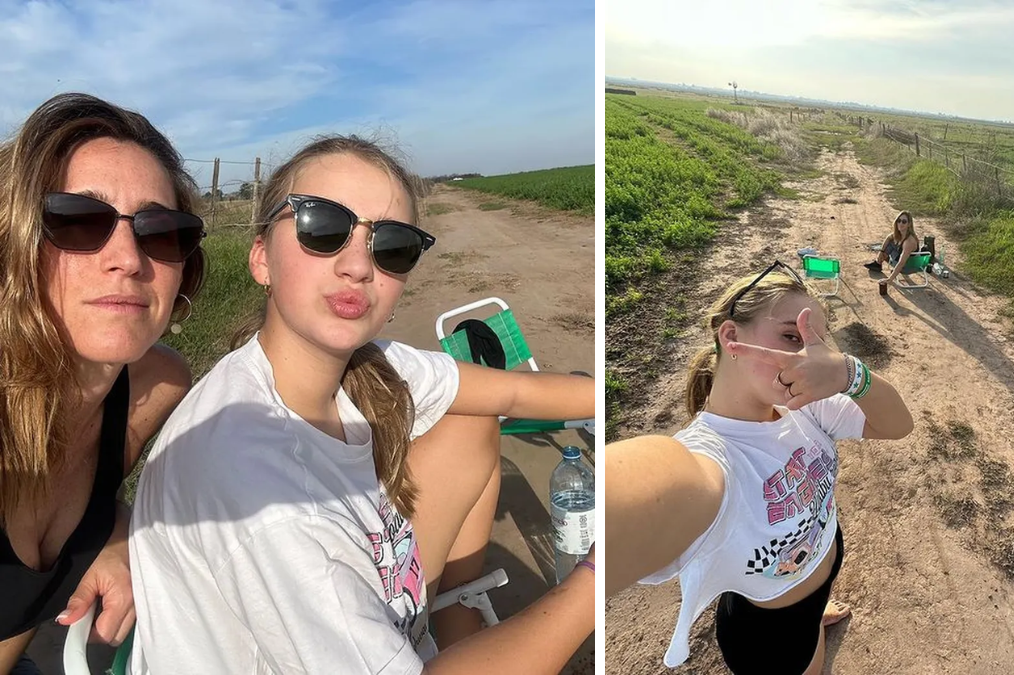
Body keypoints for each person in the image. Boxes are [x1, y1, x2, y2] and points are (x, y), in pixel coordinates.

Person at [128, 135, 596, 674]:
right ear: (261, 258)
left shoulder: (366, 366)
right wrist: (597, 571)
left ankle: (454, 617)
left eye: (391, 246)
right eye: (322, 228)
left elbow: (514, 391)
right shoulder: (265, 495)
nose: (358, 266)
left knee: (470, 420)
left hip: (360, 612)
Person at [604, 261, 913, 675]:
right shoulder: (709, 460)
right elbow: (642, 492)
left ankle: (818, 610)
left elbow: (897, 426)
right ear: (731, 336)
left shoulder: (805, 405)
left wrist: (848, 373)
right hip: (773, 639)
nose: (807, 358)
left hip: (815, 585)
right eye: (791, 336)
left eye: (819, 346)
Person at [0, 93, 206, 674]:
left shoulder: (158, 382)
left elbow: (92, 493)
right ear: (14, 242)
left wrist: (113, 532)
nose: (128, 258)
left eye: (159, 231)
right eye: (76, 219)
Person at [864, 210, 920, 289]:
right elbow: (888, 237)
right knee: (890, 243)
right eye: (899, 221)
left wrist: (890, 279)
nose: (900, 223)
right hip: (906, 262)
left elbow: (901, 262)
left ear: (909, 224)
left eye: (904, 221)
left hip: (907, 267)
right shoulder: (901, 234)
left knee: (890, 246)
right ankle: (878, 262)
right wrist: (881, 251)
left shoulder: (909, 241)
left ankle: (878, 263)